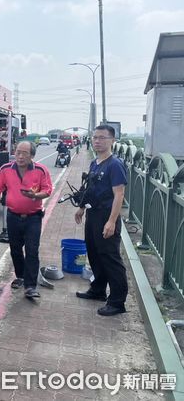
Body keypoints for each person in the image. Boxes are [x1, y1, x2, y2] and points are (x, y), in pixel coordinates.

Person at [75, 125, 128, 316]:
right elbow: (91, 188)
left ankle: (117, 302)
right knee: (95, 253)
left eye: (102, 138)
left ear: (112, 140)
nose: (97, 141)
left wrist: (112, 221)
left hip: (107, 216)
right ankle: (98, 290)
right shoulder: (95, 162)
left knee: (110, 257)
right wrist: (81, 207)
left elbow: (119, 194)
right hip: (93, 214)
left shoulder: (115, 164)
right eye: (95, 137)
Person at [0, 141, 53, 299]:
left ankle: (30, 286)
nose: (20, 156)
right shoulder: (5, 169)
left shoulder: (41, 170)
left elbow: (47, 190)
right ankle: (21, 276)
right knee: (15, 249)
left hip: (33, 217)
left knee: (32, 250)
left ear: (32, 156)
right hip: (13, 216)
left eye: (25, 153)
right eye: (18, 152)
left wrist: (35, 196)